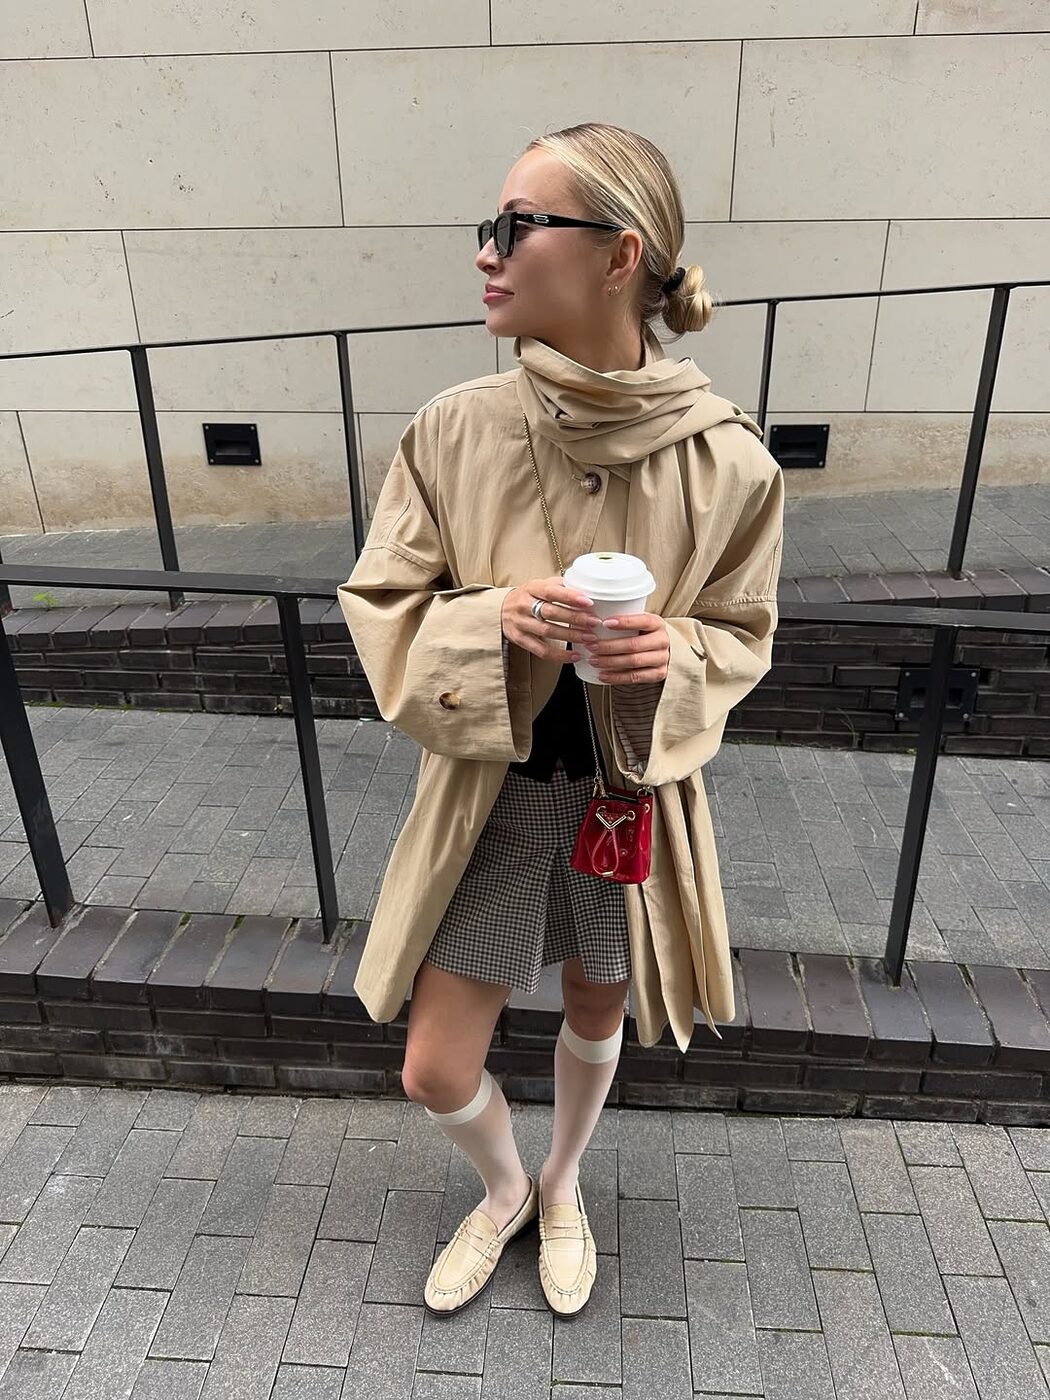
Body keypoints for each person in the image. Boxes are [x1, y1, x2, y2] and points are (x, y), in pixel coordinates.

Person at [338, 122, 784, 1319]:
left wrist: (675, 652)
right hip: (495, 799)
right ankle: (504, 1189)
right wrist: (493, 621)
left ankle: (564, 1179)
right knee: (436, 1064)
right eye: (491, 226)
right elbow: (383, 605)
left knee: (597, 1003)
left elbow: (743, 631)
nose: (488, 252)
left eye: (517, 226)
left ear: (619, 254)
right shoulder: (453, 430)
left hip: (628, 804)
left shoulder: (732, 462)